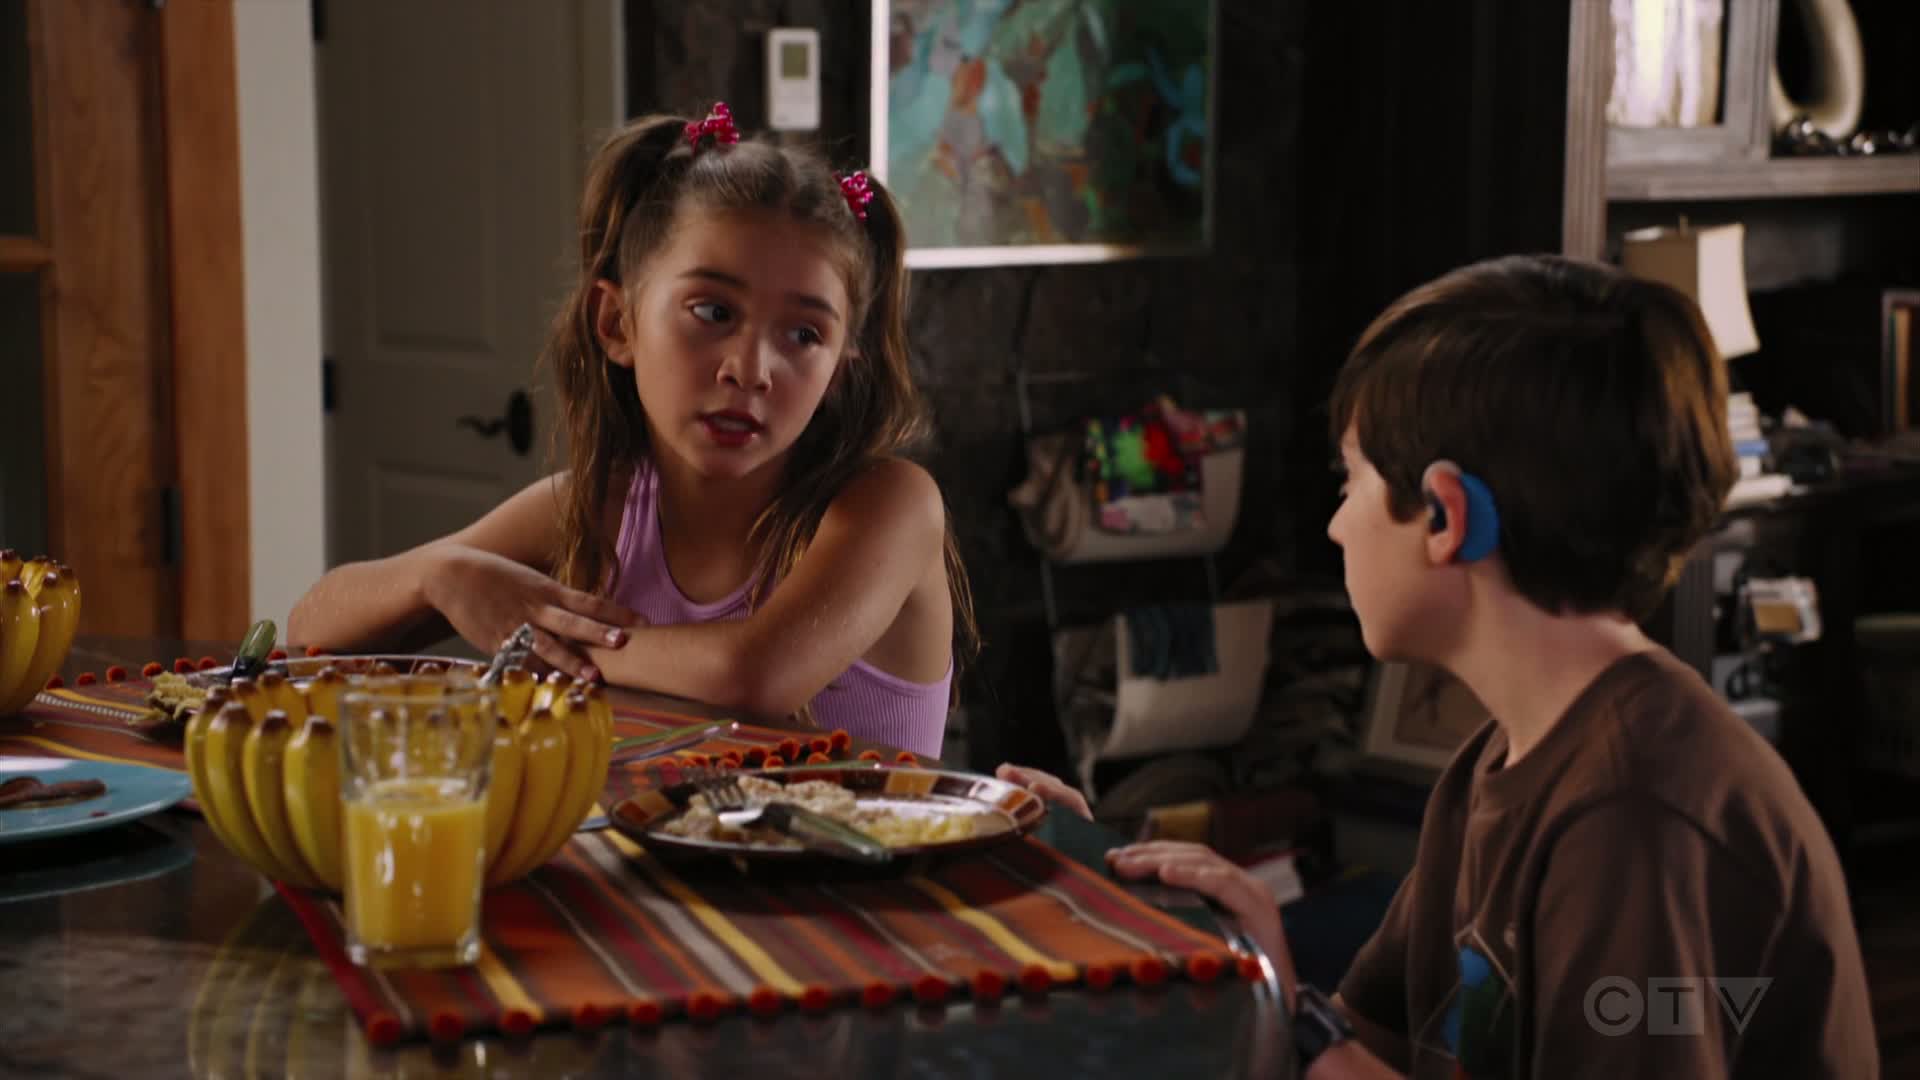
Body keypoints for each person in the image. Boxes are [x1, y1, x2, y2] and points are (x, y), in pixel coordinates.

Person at [1001, 254, 1877, 1077]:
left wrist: (1286, 1007)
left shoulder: (1640, 814)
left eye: (1350, 481)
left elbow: (1324, 1047)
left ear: (1445, 517)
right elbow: (1365, 1046)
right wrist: (1120, 900)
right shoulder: (1500, 762)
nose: (1338, 524)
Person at [289, 104, 977, 758]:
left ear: (840, 370)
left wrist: (536, 636)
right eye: (713, 312)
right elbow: (308, 630)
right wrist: (442, 576)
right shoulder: (597, 508)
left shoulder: (890, 505)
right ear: (617, 323)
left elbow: (752, 676)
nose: (750, 370)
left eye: (803, 334)